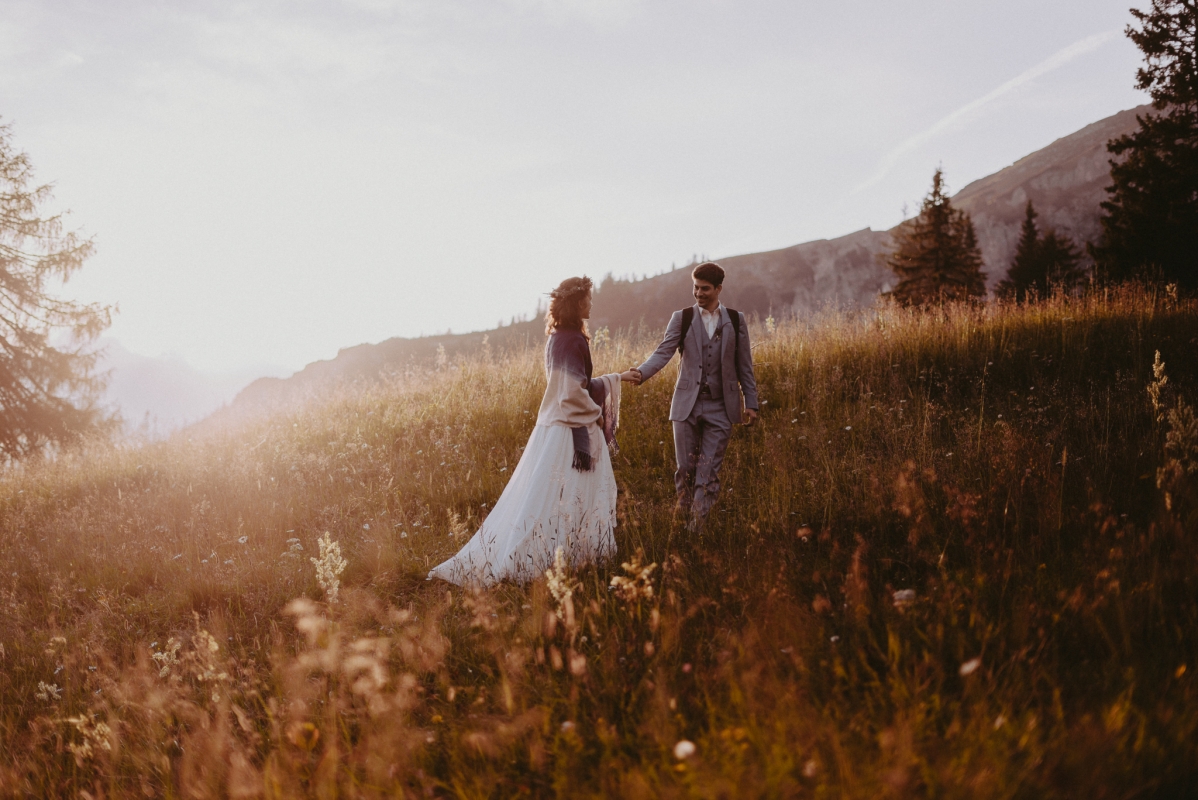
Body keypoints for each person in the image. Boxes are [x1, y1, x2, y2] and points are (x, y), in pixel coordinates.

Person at [428, 276, 641, 587]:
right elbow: (570, 392)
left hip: (555, 430)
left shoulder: (556, 338)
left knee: (551, 498)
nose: (591, 303)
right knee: (573, 495)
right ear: (576, 302)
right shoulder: (572, 340)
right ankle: (559, 559)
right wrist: (596, 413)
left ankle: (564, 556)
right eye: (587, 298)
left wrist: (616, 377)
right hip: (571, 433)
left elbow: (572, 387)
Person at [629, 261, 759, 532]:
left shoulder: (736, 320)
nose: (699, 293)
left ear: (719, 288)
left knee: (708, 473)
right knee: (685, 470)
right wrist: (641, 373)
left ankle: (695, 531)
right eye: (695, 287)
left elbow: (744, 365)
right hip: (686, 405)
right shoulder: (682, 317)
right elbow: (663, 352)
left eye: (705, 289)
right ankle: (681, 523)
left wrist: (751, 403)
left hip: (722, 407)